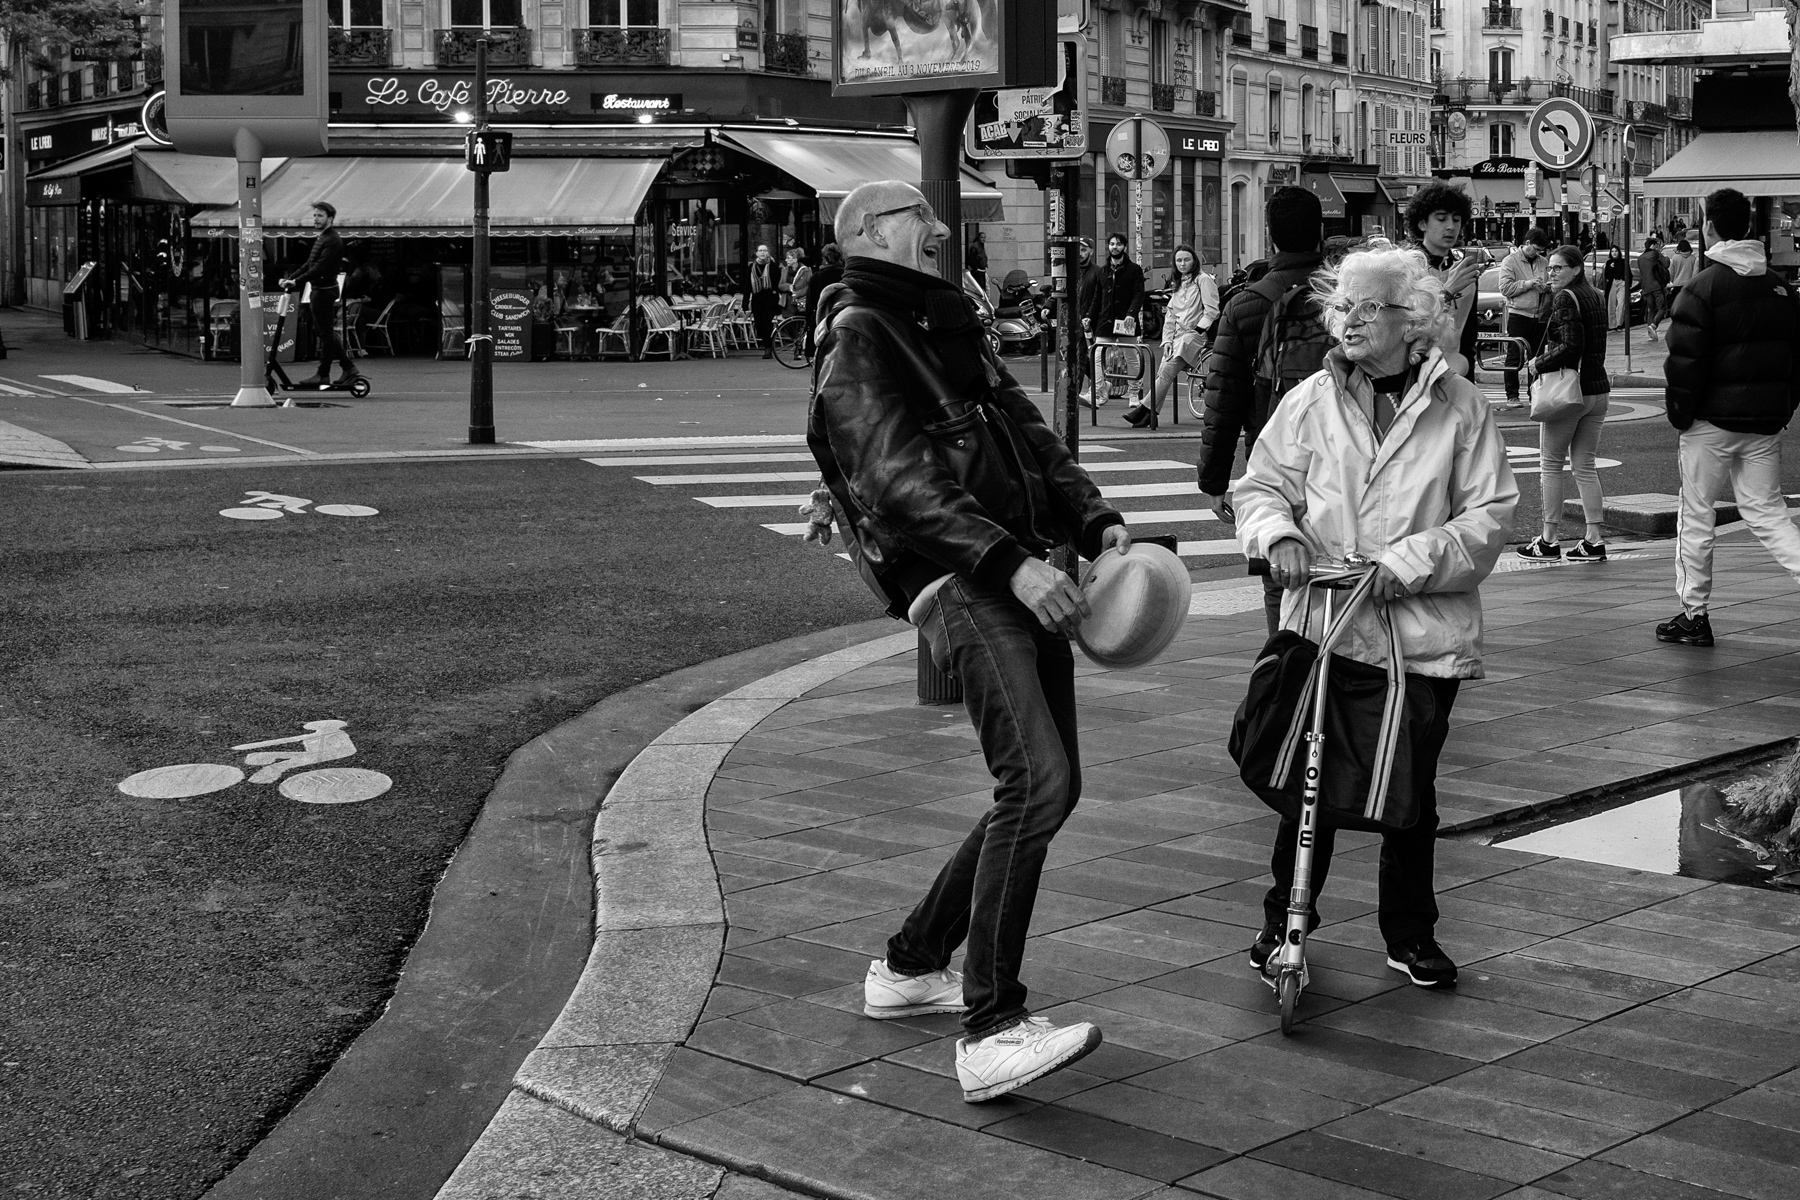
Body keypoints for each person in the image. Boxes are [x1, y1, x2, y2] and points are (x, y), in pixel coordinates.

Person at [809, 179, 1126, 1103]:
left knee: (1047, 782)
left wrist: (1092, 513)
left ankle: (911, 966)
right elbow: (894, 479)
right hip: (967, 584)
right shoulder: (861, 332)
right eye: (920, 215)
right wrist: (1009, 563)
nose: (941, 226)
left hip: (1023, 567)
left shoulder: (938, 320)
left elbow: (1024, 430)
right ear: (871, 233)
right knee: (1038, 781)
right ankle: (990, 1028)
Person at [1234, 244, 1518, 991]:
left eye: (1367, 307)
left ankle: (1410, 934)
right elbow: (1259, 488)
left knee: (1410, 789)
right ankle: (1283, 923)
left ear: (1411, 317)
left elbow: (1490, 517)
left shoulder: (1461, 407)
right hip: (1324, 621)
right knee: (1309, 782)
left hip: (1420, 634)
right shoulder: (1308, 401)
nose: (1348, 321)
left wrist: (1408, 562)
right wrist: (1280, 535)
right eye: (1342, 306)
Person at [1657, 187, 1800, 648]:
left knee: (1696, 514)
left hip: (1709, 425)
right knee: (1769, 513)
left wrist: (1681, 416)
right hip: (1762, 424)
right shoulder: (1779, 287)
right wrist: (1781, 409)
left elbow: (1684, 363)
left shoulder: (1702, 287)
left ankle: (1693, 615)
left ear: (1710, 227)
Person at [1197, 186, 1327, 636]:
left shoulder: (1246, 303)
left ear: (1270, 238)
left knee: (1281, 577)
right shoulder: (1344, 297)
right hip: (1344, 460)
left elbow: (1223, 399)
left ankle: (1287, 669)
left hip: (1273, 462)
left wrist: (1214, 481)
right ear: (1321, 233)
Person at [1517, 245, 1611, 562]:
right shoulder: (1595, 296)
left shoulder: (1565, 298)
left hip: (1570, 394)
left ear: (1575, 269)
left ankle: (1548, 540)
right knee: (1585, 466)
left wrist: (1537, 364)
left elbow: (1571, 347)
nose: (1551, 273)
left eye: (1557, 268)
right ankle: (1594, 540)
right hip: (1598, 390)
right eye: (1551, 268)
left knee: (1551, 465)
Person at [1126, 244, 1218, 427]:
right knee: (1163, 372)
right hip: (1177, 336)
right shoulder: (1178, 282)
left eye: (1186, 260)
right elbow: (1170, 314)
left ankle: (1144, 409)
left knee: (1166, 372)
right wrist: (1167, 339)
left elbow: (1212, 310)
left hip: (1195, 336)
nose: (1182, 264)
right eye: (1179, 260)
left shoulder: (1203, 280)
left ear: (1194, 260)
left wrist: (1198, 330)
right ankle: (1149, 414)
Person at [277, 201, 360, 387]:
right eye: (314, 215)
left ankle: (325, 374)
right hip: (319, 290)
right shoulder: (323, 237)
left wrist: (297, 281)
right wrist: (292, 278)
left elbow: (320, 267)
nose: (315, 219)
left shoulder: (332, 240)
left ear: (330, 219)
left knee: (325, 333)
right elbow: (309, 264)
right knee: (325, 332)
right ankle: (348, 368)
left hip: (323, 291)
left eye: (319, 216)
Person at [1404, 181, 1481, 379]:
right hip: (1415, 371)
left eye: (1456, 220)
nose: (1450, 227)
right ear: (1422, 224)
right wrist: (1447, 292)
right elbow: (1406, 324)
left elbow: (1468, 336)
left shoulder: (1464, 271)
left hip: (1457, 372)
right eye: (1441, 219)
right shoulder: (1407, 267)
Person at [1081, 234, 1146, 407]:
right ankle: (1099, 393)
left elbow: (1139, 294)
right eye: (1111, 244)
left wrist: (1131, 314)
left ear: (1124, 246)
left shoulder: (1134, 270)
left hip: (1126, 321)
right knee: (1096, 355)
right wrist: (1089, 315)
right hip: (1105, 320)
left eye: (1118, 244)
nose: (1114, 247)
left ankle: (1134, 394)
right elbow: (1097, 298)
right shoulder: (1103, 271)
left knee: (1131, 356)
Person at [1498, 227, 1553, 404]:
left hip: (1539, 316)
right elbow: (1505, 288)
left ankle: (1535, 394)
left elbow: (1550, 282)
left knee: (1537, 357)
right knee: (1515, 355)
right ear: (1527, 243)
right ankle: (1512, 395)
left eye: (1540, 251)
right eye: (1536, 249)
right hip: (1518, 315)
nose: (1537, 253)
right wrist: (1528, 284)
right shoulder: (1510, 261)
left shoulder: (1543, 262)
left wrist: (1547, 287)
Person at [802, 242, 844, 358]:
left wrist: (808, 317)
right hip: (842, 316)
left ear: (824, 258)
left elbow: (810, 301)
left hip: (822, 317)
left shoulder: (817, 277)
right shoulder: (845, 275)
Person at [747, 244, 781, 358]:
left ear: (768, 253)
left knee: (766, 323)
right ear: (757, 253)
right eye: (760, 250)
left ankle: (768, 348)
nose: (762, 253)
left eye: (765, 250)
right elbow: (747, 286)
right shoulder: (751, 267)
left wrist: (775, 295)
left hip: (770, 299)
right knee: (758, 325)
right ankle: (767, 343)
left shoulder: (773, 266)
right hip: (757, 299)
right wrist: (745, 302)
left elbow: (778, 283)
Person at [1639, 237, 1670, 339]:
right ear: (1652, 246)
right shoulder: (1655, 254)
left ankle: (1650, 335)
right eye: (1655, 246)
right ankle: (1654, 325)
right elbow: (1666, 263)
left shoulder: (1640, 258)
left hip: (1646, 288)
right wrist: (1664, 255)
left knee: (1651, 310)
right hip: (1656, 286)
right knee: (1662, 309)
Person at [1603, 246, 1631, 330]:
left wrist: (1628, 284)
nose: (1614, 253)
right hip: (1613, 283)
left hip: (1622, 283)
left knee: (1621, 303)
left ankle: (1619, 323)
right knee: (1611, 304)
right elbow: (1607, 276)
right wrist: (1611, 268)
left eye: (1616, 251)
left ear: (1619, 252)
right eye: (1612, 251)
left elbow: (1628, 273)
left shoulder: (1623, 262)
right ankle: (1612, 325)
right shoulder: (1609, 262)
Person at [1667, 237, 1697, 302]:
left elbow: (1672, 272)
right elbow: (1695, 272)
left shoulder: (1675, 258)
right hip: (1689, 285)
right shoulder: (1693, 258)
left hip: (1677, 284)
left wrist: (1671, 281)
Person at [784, 248, 812, 318]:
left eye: (788, 258)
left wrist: (798, 293)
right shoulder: (784, 270)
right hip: (788, 303)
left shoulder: (806, 270)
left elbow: (809, 286)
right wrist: (788, 286)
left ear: (795, 259)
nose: (786, 260)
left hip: (801, 302)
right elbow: (780, 285)